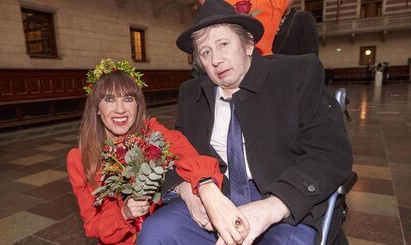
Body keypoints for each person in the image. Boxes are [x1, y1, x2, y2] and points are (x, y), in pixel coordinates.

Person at [138, 0, 353, 245]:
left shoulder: (296, 76)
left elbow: (330, 155)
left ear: (248, 44)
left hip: (285, 200)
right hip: (217, 199)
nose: (215, 59)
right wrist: (188, 192)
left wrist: (272, 207)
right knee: (157, 231)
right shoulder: (191, 93)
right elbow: (177, 154)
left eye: (223, 44)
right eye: (205, 52)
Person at [67, 60, 224, 244]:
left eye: (128, 99)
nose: (120, 109)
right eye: (109, 99)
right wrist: (123, 214)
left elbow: (190, 156)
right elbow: (92, 225)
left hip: (163, 234)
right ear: (97, 109)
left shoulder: (153, 133)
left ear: (137, 105)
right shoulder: (80, 158)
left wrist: (202, 188)